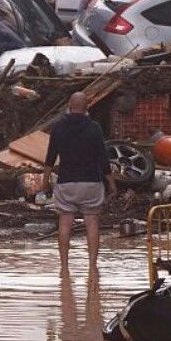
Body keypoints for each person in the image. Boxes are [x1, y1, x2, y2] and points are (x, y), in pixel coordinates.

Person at [44, 92, 115, 270]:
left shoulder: (58, 127)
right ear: (87, 107)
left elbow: (50, 157)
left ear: (69, 105)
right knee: (92, 222)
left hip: (66, 182)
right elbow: (103, 158)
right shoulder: (94, 128)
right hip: (91, 183)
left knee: (65, 222)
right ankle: (92, 266)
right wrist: (112, 182)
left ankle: (64, 266)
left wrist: (45, 181)